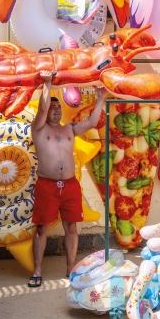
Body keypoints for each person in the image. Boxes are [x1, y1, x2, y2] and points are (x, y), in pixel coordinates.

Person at [28, 70, 106, 288]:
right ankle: (37, 270)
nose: (54, 110)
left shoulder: (69, 129)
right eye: (51, 107)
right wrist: (47, 84)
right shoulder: (38, 129)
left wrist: (101, 98)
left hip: (70, 186)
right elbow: (42, 109)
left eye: (58, 107)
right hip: (47, 185)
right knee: (42, 229)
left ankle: (71, 268)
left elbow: (92, 122)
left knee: (71, 227)